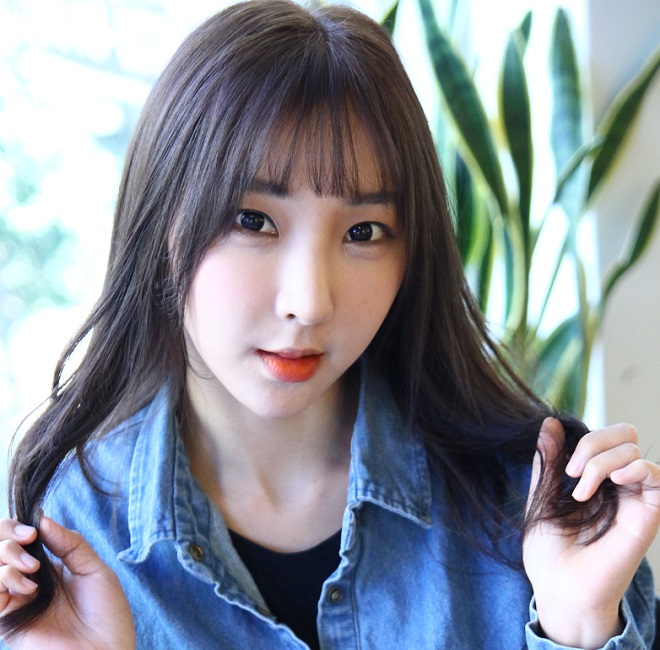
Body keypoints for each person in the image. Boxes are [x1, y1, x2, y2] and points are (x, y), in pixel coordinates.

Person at [1, 1, 658, 648]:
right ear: (161, 221)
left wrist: (577, 627)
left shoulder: (531, 502)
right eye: (253, 221)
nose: (310, 302)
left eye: (363, 232)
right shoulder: (72, 529)